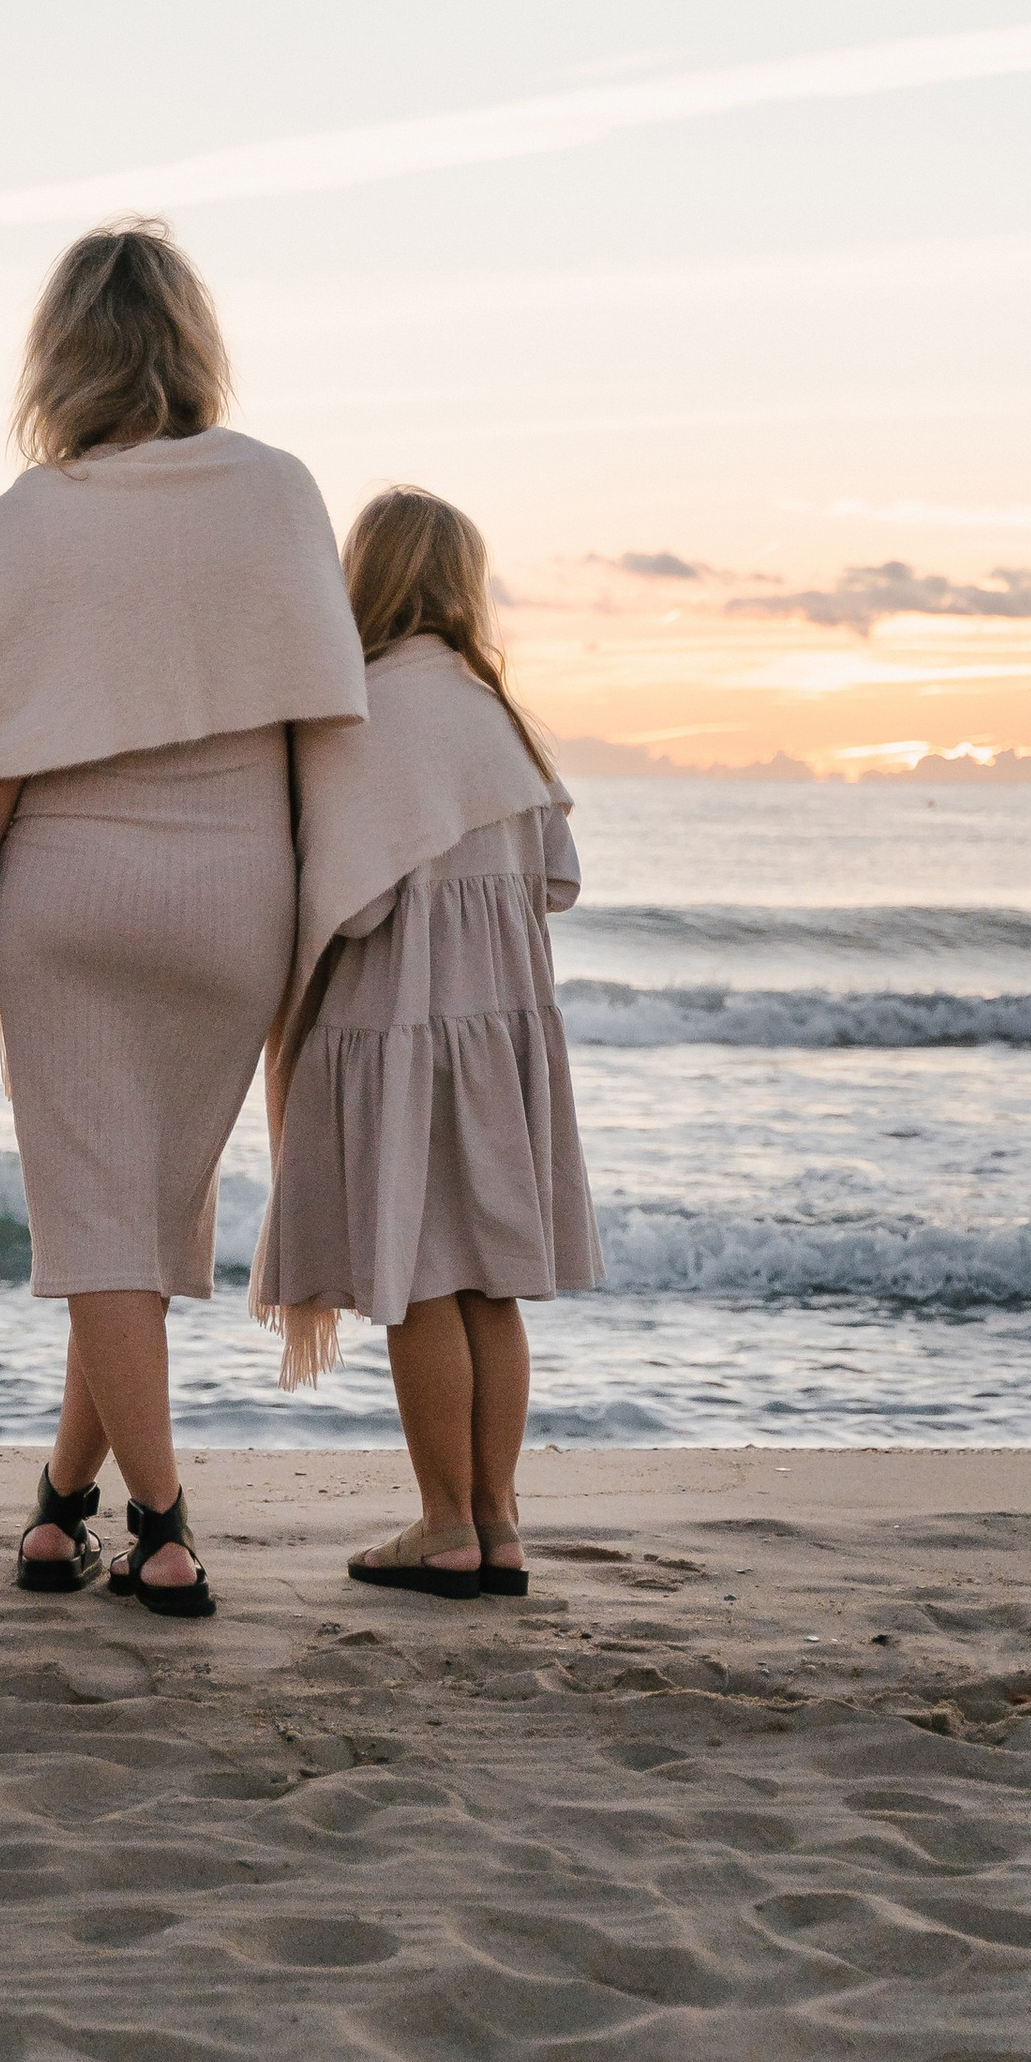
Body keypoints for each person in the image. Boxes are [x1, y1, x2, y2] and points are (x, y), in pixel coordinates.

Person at [0, 223, 366, 1618]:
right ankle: (60, 1515)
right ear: (195, 342)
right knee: (130, 1221)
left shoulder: (33, 512)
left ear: (59, 356)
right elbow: (329, 727)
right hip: (235, 891)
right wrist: (316, 930)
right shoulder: (279, 490)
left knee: (98, 1227)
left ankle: (165, 1524)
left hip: (67, 890)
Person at [250, 484, 602, 1599]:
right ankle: (498, 1522)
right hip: (499, 1042)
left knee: (416, 1281)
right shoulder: (497, 713)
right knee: (489, 1283)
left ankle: (442, 1523)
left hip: (394, 1034)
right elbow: (560, 878)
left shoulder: (362, 711)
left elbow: (344, 909)